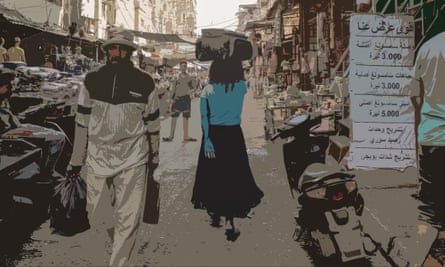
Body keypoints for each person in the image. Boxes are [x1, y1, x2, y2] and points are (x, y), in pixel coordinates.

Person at [66, 30, 160, 266]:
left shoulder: (145, 82)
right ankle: (118, 247)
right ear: (107, 51)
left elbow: (154, 125)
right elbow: (81, 122)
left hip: (134, 158)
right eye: (112, 48)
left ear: (129, 53)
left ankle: (120, 262)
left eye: (121, 49)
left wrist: (155, 157)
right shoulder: (91, 80)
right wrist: (76, 159)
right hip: (98, 158)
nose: (116, 53)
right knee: (98, 217)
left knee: (129, 219)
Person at [191, 57, 264, 241]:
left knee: (213, 175)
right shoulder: (241, 88)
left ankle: (215, 212)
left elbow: (203, 118)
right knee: (233, 176)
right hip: (233, 137)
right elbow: (242, 76)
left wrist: (207, 139)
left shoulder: (207, 90)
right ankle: (230, 220)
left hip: (214, 136)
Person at [408, 28, 445, 264]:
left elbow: (415, 96)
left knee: (432, 203)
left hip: (432, 135)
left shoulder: (429, 46)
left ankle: (431, 249)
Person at [1, 68, 65, 176]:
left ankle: (53, 169)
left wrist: (39, 108)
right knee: (57, 138)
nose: (10, 88)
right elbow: (6, 126)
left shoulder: (4, 97)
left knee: (54, 129)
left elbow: (13, 118)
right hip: (8, 134)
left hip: (15, 127)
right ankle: (46, 174)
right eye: (7, 86)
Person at [162, 61, 197, 142]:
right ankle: (171, 136)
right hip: (177, 99)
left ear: (186, 67)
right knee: (174, 118)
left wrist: (191, 91)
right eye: (182, 66)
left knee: (186, 118)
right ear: (180, 67)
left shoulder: (190, 77)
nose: (183, 68)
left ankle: (186, 136)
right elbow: (173, 89)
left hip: (186, 99)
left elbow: (194, 88)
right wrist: (170, 99)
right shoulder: (176, 77)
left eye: (185, 66)